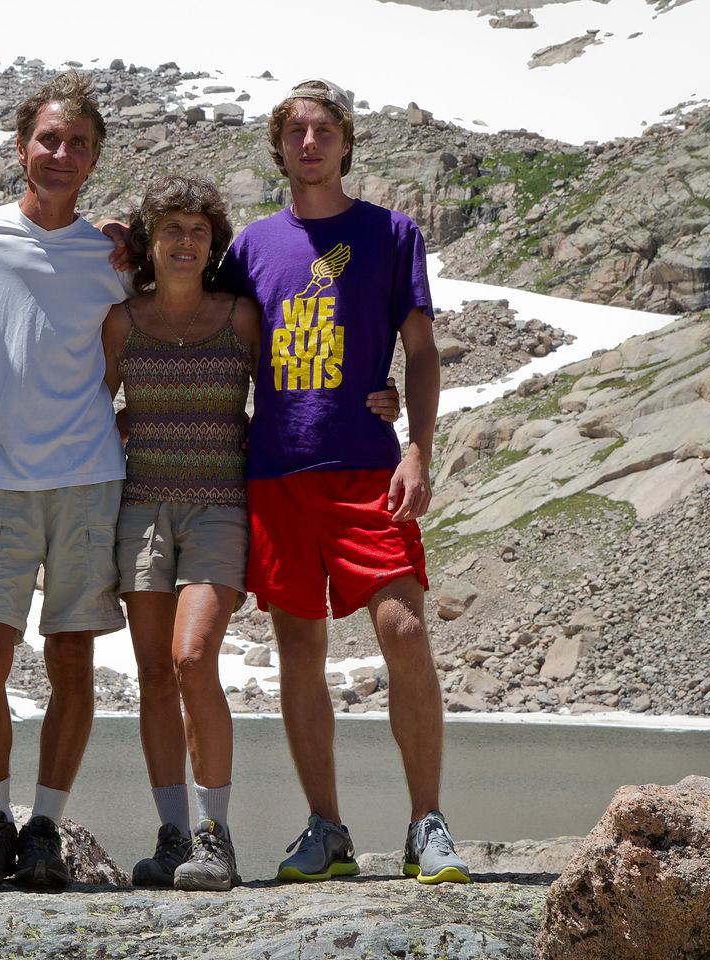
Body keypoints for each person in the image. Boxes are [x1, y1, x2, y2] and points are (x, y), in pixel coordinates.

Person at [0, 176, 399, 891]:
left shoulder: (240, 317)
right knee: (154, 676)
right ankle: (173, 839)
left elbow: (298, 381)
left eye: (199, 230)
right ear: (152, 239)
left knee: (193, 658)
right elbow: (82, 404)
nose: (186, 241)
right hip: (140, 510)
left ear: (213, 244)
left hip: (220, 508)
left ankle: (215, 836)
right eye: (171, 228)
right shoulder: (123, 322)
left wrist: (375, 395)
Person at [218, 78, 471, 885]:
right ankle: (326, 830)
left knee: (403, 630)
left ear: (346, 143)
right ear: (279, 146)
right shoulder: (252, 246)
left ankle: (425, 824)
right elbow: (191, 322)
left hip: (368, 466)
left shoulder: (391, 233)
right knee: (299, 648)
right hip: (277, 471)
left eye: (323, 128)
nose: (309, 141)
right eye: (294, 129)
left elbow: (423, 351)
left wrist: (419, 447)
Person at [0, 73, 134, 890]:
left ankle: (44, 825)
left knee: (71, 657)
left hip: (88, 479)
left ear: (93, 159)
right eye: (49, 139)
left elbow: (162, 328)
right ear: (21, 147)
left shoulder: (111, 255)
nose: (61, 153)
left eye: (78, 143)